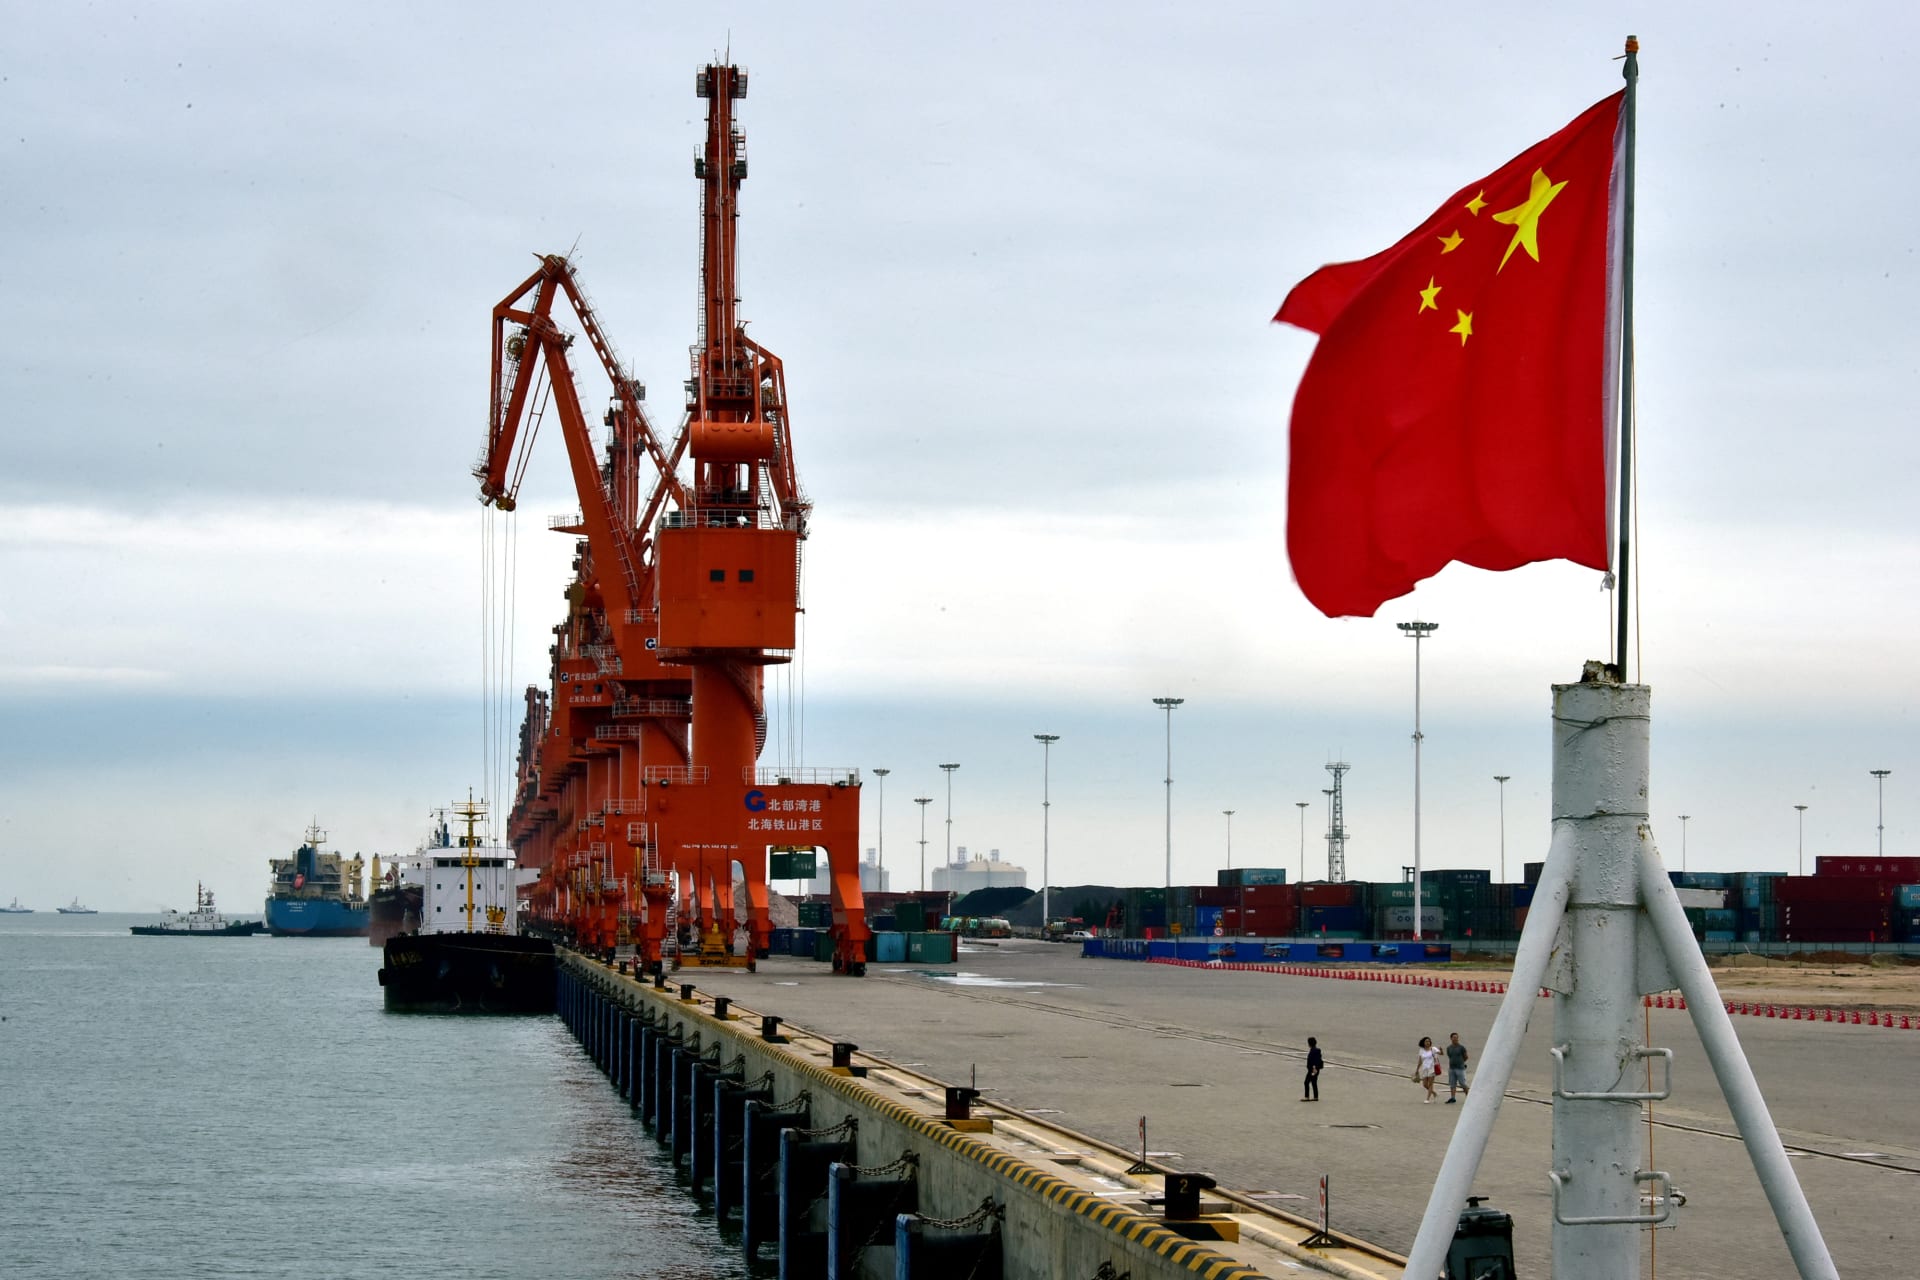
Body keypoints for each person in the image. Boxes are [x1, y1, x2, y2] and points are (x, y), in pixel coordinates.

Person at [1445, 1032, 1471, 1103]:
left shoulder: (1461, 1047)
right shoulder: (1449, 1048)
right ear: (1451, 1038)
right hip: (1451, 1068)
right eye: (1454, 1037)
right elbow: (1449, 1056)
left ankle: (1468, 1097)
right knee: (1452, 1083)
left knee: (1462, 1083)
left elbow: (1466, 1057)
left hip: (1460, 1068)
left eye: (1456, 1037)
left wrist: (1461, 1062)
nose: (1455, 1039)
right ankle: (1453, 1098)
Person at [1414, 1036, 1441, 1102]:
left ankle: (1427, 1099)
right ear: (1423, 1043)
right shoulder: (1421, 1050)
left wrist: (1441, 1051)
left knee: (1430, 1084)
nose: (1428, 1042)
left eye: (1429, 1041)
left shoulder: (1433, 1049)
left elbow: (1440, 1053)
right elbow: (1420, 1061)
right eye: (1426, 1041)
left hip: (1432, 1068)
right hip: (1425, 1068)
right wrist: (1417, 1069)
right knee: (1425, 1085)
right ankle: (1434, 1093)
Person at [1303, 1037, 1323, 1101]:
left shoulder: (1315, 1050)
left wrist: (1314, 1068)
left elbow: (1316, 1060)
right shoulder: (1315, 1050)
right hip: (1314, 1069)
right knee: (1314, 1082)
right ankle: (1315, 1097)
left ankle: (1307, 1097)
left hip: (1313, 1070)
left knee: (1306, 1082)